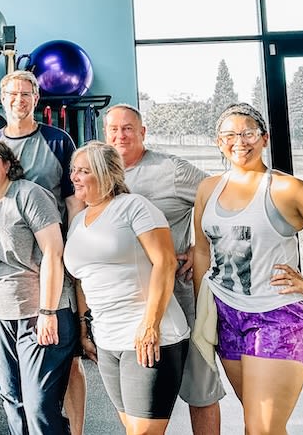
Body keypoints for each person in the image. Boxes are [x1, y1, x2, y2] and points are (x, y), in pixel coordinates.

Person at [193, 103, 303, 435]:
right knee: (258, 424)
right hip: (227, 315)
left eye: (248, 133)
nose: (239, 142)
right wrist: (202, 308)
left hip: (278, 315)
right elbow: (201, 249)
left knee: (262, 429)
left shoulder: (289, 189)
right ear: (218, 141)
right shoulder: (208, 189)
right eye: (229, 135)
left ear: (265, 138)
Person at [104, 104, 224, 435]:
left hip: (179, 299)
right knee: (139, 403)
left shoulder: (171, 170)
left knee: (200, 389)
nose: (120, 135)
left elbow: (224, 197)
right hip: (125, 305)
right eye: (113, 129)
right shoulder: (100, 174)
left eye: (128, 128)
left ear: (143, 132)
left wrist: (201, 248)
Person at [64, 141, 190, 435]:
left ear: (107, 174)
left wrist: (150, 325)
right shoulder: (79, 221)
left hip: (148, 335)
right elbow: (82, 279)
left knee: (144, 432)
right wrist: (85, 327)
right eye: (74, 170)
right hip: (107, 339)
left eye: (84, 171)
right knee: (132, 428)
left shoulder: (135, 207)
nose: (75, 177)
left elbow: (165, 263)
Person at [0, 70, 85, 435]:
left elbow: (73, 202)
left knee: (66, 365)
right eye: (12, 94)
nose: (19, 100)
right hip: (10, 271)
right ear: (2, 99)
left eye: (26, 94)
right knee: (15, 387)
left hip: (51, 264)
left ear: (36, 98)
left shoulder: (58, 141)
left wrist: (74, 253)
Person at [0, 137, 73, 435]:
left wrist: (48, 311)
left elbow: (53, 252)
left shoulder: (29, 195)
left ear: (6, 164)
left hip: (38, 313)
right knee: (12, 399)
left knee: (39, 405)